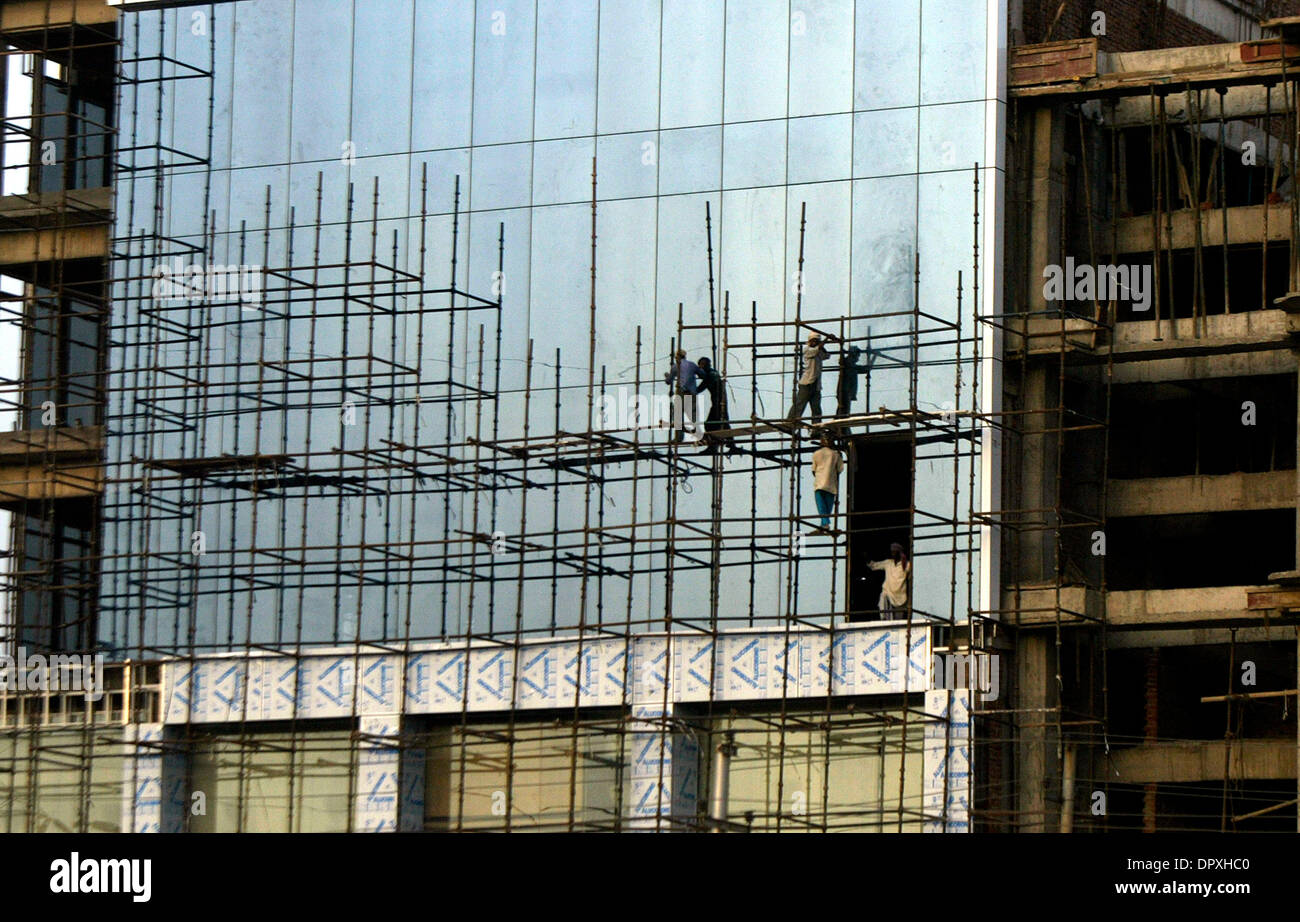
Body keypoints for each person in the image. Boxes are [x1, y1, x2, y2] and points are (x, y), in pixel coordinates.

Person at [787, 333, 831, 423]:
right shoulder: (807, 350)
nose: (814, 342)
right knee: (799, 405)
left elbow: (827, 356)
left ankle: (816, 428)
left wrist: (822, 345)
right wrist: (826, 340)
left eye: (816, 341)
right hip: (806, 383)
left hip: (816, 385)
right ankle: (789, 423)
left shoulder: (818, 351)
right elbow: (814, 351)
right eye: (812, 340)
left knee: (816, 408)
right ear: (809, 341)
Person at [696, 356, 734, 453]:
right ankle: (731, 445)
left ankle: (713, 447)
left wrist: (688, 391)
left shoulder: (711, 375)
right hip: (720, 402)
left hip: (718, 403)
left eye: (701, 367)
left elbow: (700, 388)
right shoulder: (713, 373)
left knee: (710, 425)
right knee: (723, 423)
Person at [665, 349, 701, 441]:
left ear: (677, 357)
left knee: (678, 414)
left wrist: (667, 376)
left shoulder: (675, 367)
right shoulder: (692, 365)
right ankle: (698, 432)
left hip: (681, 392)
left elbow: (669, 381)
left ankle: (679, 437)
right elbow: (703, 375)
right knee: (692, 413)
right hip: (692, 392)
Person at [869, 542, 912, 617]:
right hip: (888, 594)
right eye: (892, 552)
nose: (893, 554)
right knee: (883, 604)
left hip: (901, 598)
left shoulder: (906, 564)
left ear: (899, 553)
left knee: (898, 623)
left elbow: (912, 573)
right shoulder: (888, 563)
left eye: (895, 552)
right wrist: (867, 559)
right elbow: (874, 565)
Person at [810, 436, 843, 530]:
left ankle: (825, 524)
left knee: (821, 507)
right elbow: (840, 469)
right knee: (827, 508)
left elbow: (813, 470)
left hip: (819, 484)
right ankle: (824, 525)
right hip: (831, 486)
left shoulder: (816, 454)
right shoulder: (835, 454)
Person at [835, 344, 870, 418]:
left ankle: (839, 427)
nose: (858, 358)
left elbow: (866, 369)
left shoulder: (851, 365)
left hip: (846, 392)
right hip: (845, 391)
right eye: (857, 355)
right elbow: (842, 361)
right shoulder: (847, 363)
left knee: (842, 411)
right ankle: (839, 427)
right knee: (844, 412)